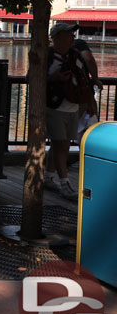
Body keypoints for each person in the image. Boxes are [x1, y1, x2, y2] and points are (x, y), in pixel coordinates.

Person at [45, 23, 90, 200]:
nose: (73, 36)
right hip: (54, 107)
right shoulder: (47, 56)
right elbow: (30, 78)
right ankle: (64, 183)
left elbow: (84, 79)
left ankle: (48, 177)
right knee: (61, 144)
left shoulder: (75, 55)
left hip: (74, 106)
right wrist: (53, 78)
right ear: (57, 37)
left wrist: (89, 101)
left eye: (73, 33)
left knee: (61, 145)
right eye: (69, 33)